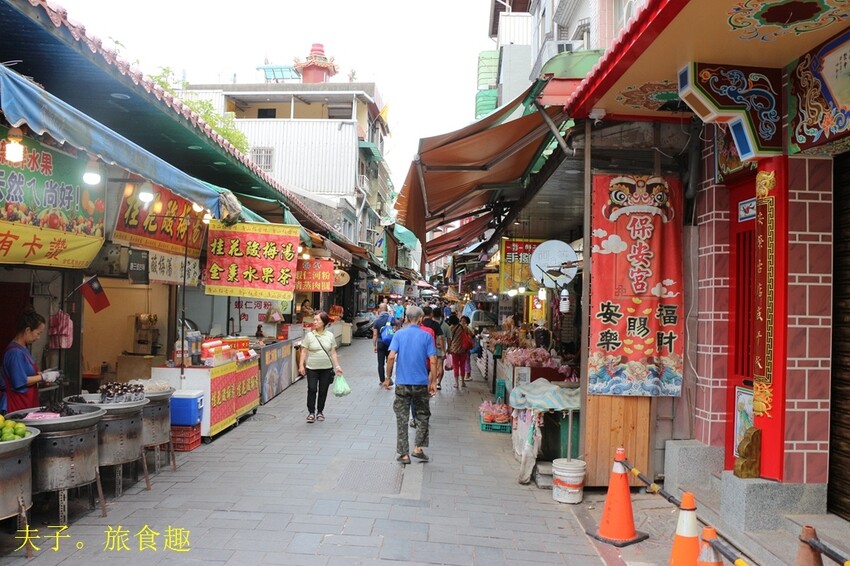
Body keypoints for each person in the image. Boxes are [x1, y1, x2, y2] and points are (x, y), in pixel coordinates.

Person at [386, 305, 437, 464]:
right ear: (421, 319)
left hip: (402, 383)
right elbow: (433, 361)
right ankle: (418, 448)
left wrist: (388, 377)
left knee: (402, 417)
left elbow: (391, 357)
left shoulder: (399, 334)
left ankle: (404, 454)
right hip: (421, 383)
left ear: (406, 318)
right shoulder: (426, 336)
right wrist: (433, 381)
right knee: (422, 415)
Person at [2, 308, 58, 414]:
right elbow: (19, 381)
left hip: (27, 404)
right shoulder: (15, 353)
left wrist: (41, 375)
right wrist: (43, 377)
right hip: (17, 405)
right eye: (38, 333)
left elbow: (26, 373)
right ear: (28, 330)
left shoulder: (23, 349)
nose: (38, 337)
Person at [298, 311, 343, 423]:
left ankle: (320, 411)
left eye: (317, 320)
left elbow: (333, 352)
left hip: (326, 368)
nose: (315, 322)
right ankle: (311, 412)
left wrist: (337, 366)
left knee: (323, 390)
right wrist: (301, 366)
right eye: (314, 319)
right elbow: (303, 351)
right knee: (312, 389)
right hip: (312, 367)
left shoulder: (330, 336)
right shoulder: (309, 335)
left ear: (324, 322)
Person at [371, 303, 395, 388]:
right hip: (390, 344)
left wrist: (374, 345)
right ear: (387, 309)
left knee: (380, 363)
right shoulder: (391, 319)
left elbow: (375, 335)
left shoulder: (377, 320)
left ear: (380, 310)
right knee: (390, 360)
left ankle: (382, 380)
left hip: (380, 343)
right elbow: (395, 331)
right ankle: (389, 378)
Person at [422, 306, 446, 391]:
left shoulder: (420, 323)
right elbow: (441, 337)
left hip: (421, 349)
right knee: (432, 367)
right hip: (432, 349)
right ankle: (429, 385)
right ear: (431, 314)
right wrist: (443, 350)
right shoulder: (435, 324)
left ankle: (424, 385)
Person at [447, 315, 475, 388]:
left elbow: (449, 340)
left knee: (456, 366)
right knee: (462, 365)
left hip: (454, 350)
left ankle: (456, 383)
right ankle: (462, 382)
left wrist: (448, 348)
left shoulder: (450, 328)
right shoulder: (463, 327)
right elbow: (472, 334)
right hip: (463, 349)